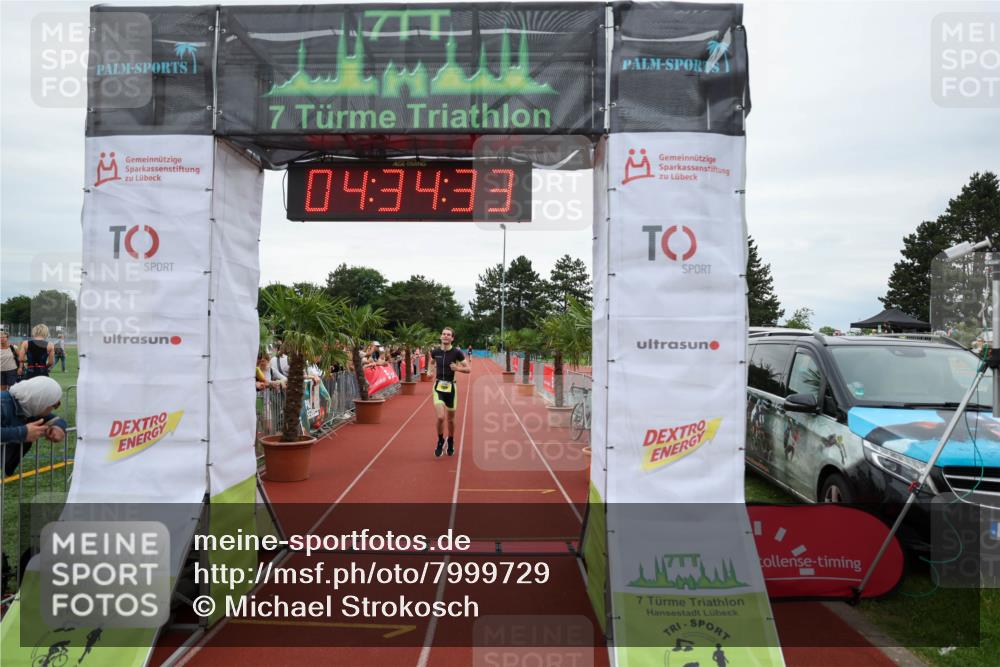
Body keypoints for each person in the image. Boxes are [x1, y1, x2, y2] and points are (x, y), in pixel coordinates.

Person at [1, 376, 67, 477]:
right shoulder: (3, 404)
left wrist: (58, 428)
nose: (54, 408)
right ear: (42, 402)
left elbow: (58, 420)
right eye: (54, 404)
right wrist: (23, 432)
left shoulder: (29, 406)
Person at [430, 327, 470, 457]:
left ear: (452, 338)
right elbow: (431, 361)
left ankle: (451, 440)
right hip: (438, 387)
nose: (445, 336)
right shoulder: (435, 352)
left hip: (451, 389)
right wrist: (430, 371)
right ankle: (441, 440)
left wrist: (457, 368)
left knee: (451, 420)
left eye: (448, 335)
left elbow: (468, 369)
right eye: (443, 334)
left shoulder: (457, 353)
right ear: (441, 336)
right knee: (441, 417)